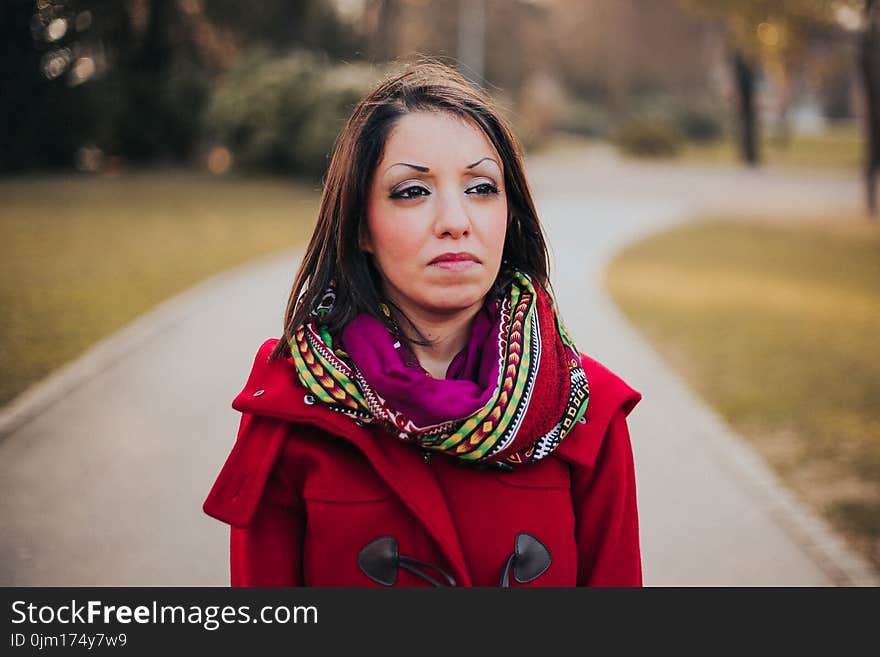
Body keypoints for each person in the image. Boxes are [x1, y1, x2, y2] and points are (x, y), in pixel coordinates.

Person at [203, 59, 643, 587]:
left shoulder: (587, 411)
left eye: (481, 188)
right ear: (361, 225)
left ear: (511, 213)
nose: (455, 221)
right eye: (413, 191)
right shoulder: (294, 408)